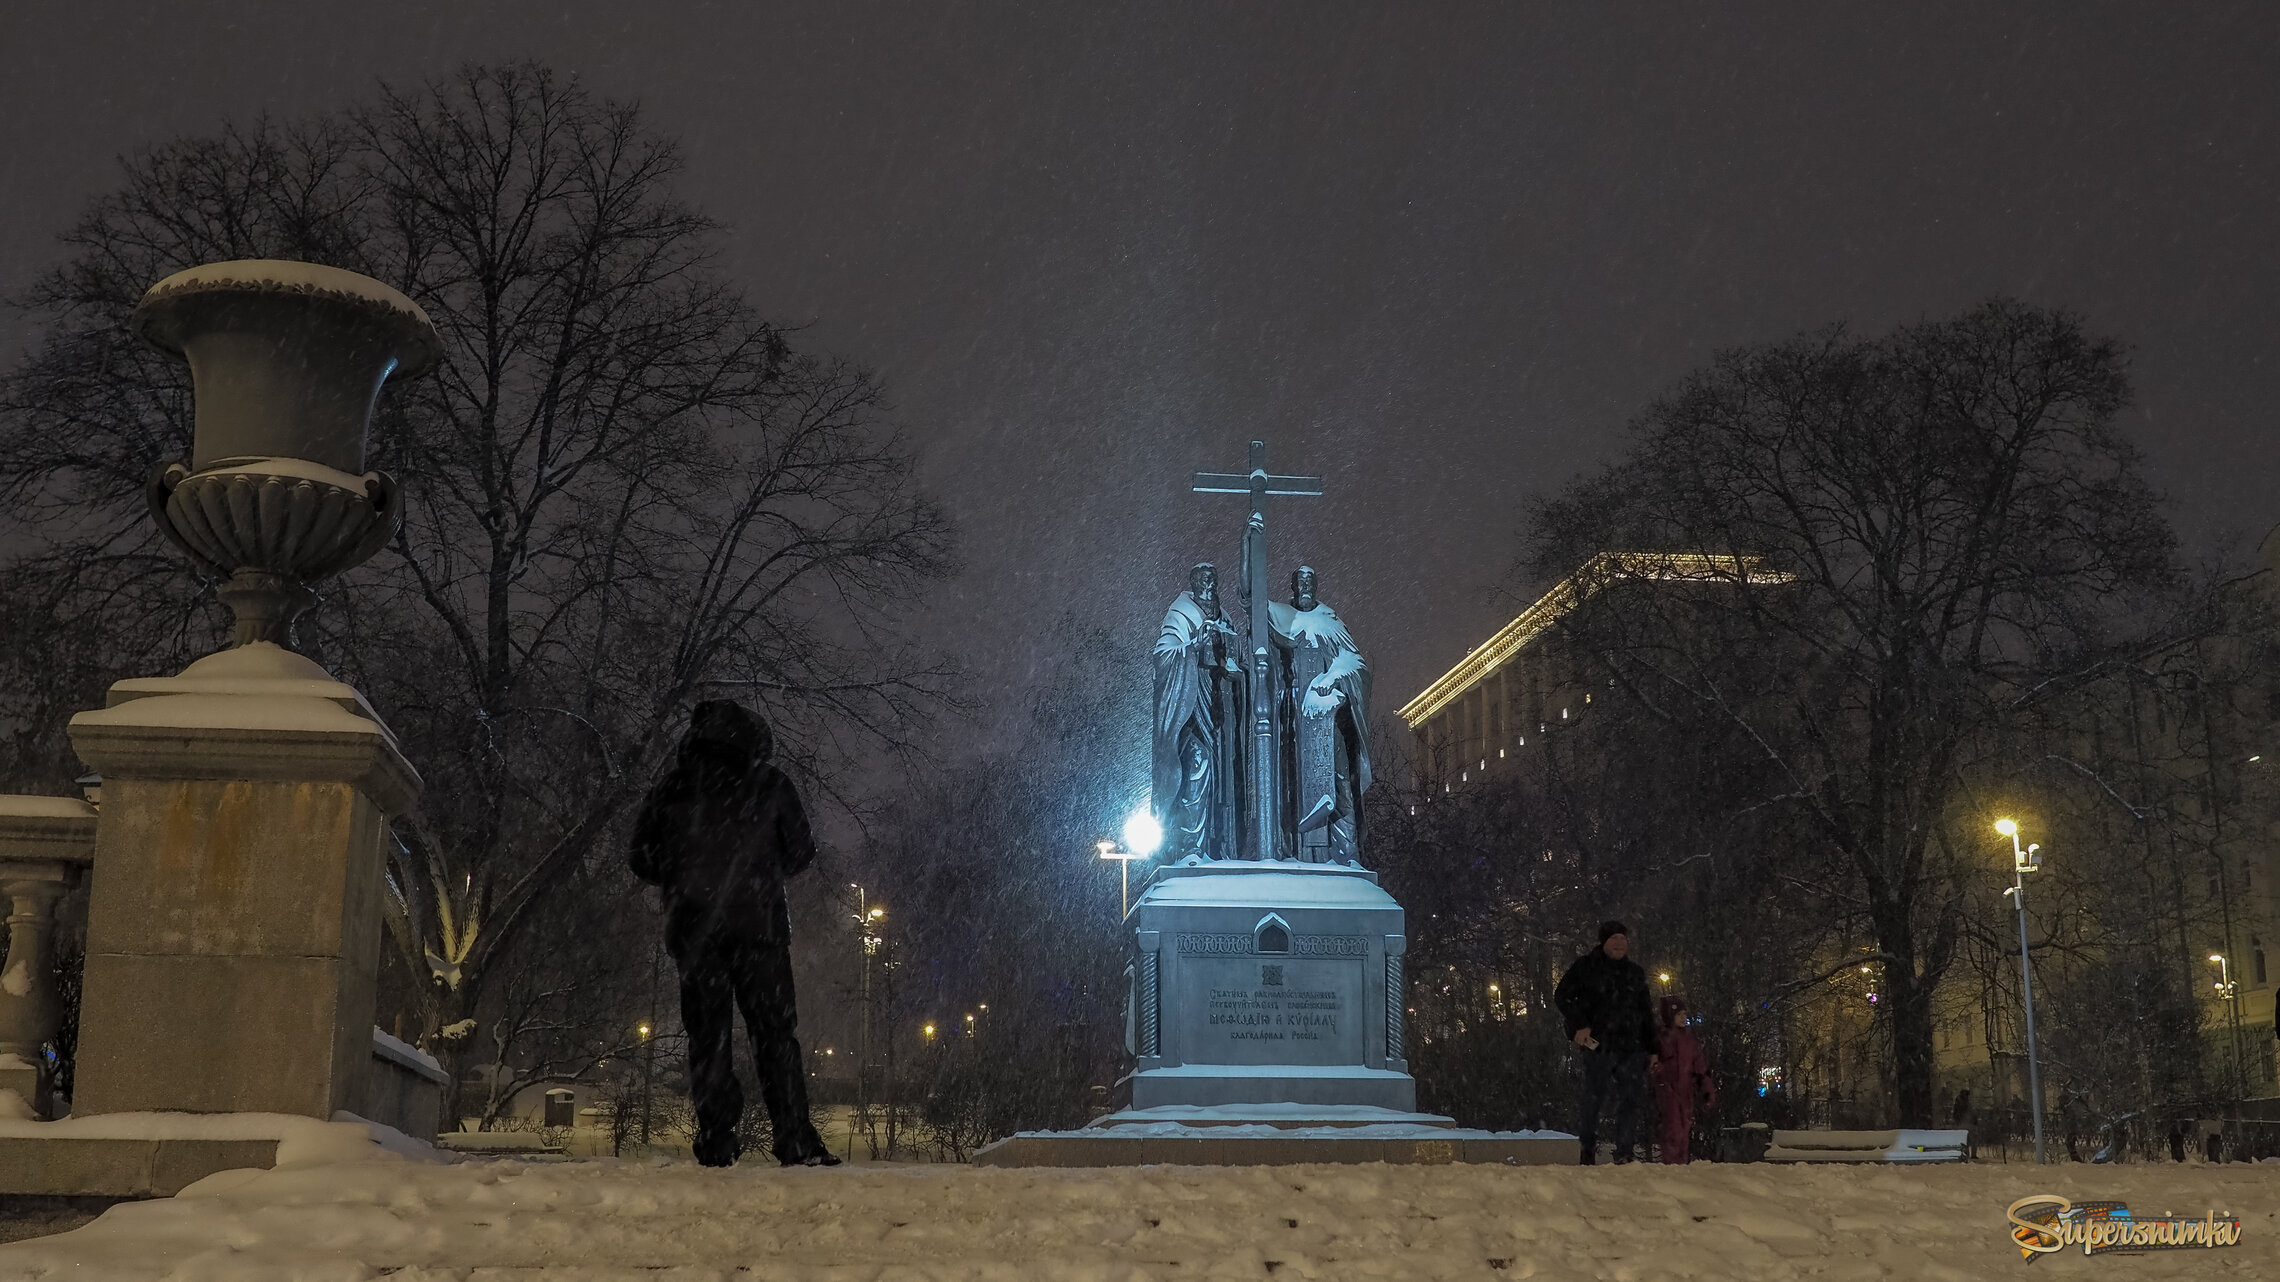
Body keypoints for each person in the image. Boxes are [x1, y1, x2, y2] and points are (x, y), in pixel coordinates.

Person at [630, 700, 839, 1168]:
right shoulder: (770, 784)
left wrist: (684, 877)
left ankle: (716, 1139)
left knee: (708, 1036)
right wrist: (761, 876)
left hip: (695, 931)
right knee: (775, 1034)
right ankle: (795, 1139)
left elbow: (640, 857)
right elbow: (802, 851)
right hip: (759, 929)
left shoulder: (673, 786)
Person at [1554, 921, 1660, 1164]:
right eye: (1615, 939)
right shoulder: (1586, 967)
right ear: (1604, 942)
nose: (1620, 943)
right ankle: (1588, 1151)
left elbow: (1645, 1012)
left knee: (1630, 1100)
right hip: (1598, 1044)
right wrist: (1580, 1024)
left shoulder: (1634, 972)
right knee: (1593, 1098)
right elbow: (1562, 996)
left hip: (1631, 1045)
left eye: (1623, 939)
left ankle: (1624, 1152)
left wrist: (1653, 1047)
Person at [1650, 995, 1715, 1164]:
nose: (1683, 1018)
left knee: (1684, 1130)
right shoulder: (1662, 1038)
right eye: (1679, 1014)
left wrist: (1706, 1088)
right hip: (1668, 1089)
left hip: (1685, 1091)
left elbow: (1700, 1067)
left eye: (1685, 1014)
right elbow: (1653, 1061)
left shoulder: (1689, 1040)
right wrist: (1659, 1071)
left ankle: (1681, 1166)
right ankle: (1672, 1166)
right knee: (1673, 1130)